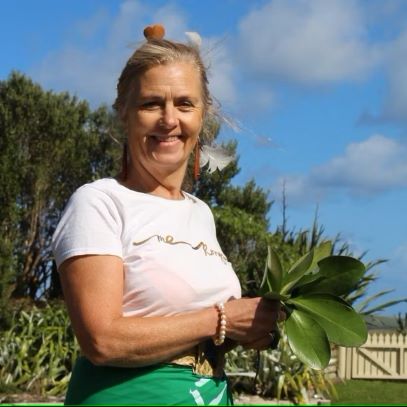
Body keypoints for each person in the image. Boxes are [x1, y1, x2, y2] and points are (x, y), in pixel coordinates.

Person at [52, 24, 283, 406]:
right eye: (151, 103)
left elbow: (193, 330)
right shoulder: (99, 202)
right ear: (123, 113)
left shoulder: (201, 214)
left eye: (184, 104)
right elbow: (102, 340)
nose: (169, 119)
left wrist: (251, 329)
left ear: (202, 116)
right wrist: (222, 318)